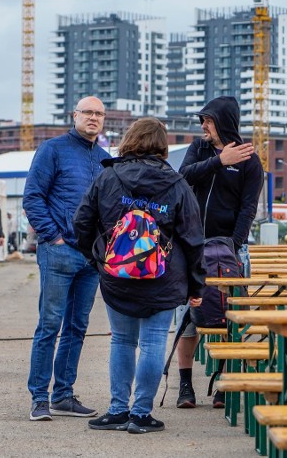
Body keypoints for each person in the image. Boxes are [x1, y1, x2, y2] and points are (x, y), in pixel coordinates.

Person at [74, 117, 205, 434]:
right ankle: (141, 415)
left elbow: (81, 224)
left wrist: (100, 262)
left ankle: (118, 410)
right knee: (152, 343)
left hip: (117, 279)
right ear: (162, 146)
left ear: (130, 140)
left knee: (121, 340)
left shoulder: (107, 177)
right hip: (163, 280)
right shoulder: (176, 184)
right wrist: (195, 284)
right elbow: (193, 238)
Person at [23, 96, 110, 422]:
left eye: (99, 114)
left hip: (91, 258)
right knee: (49, 325)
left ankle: (63, 395)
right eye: (87, 112)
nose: (93, 118)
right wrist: (53, 236)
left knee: (77, 327)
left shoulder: (104, 158)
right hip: (59, 251)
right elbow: (33, 196)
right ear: (74, 115)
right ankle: (39, 398)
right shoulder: (53, 149)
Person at [174, 96, 264, 410]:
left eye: (208, 120)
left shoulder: (250, 160)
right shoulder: (198, 150)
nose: (203, 125)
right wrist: (218, 161)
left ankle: (225, 383)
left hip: (231, 249)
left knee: (230, 319)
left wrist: (233, 246)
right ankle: (185, 386)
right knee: (187, 320)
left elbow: (248, 208)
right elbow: (181, 179)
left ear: (223, 122)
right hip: (192, 246)